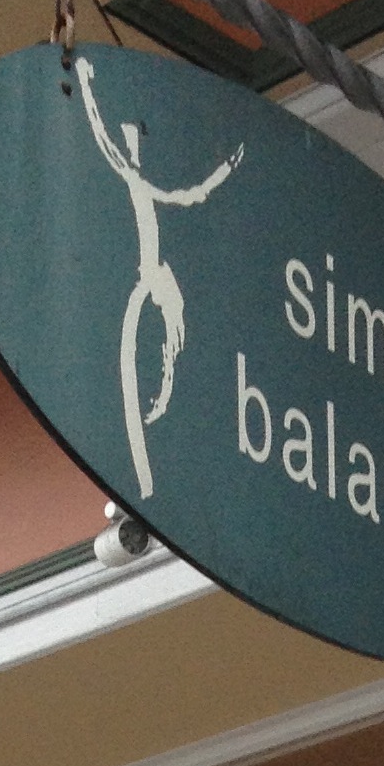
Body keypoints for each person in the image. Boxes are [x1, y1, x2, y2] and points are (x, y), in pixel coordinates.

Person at [76, 55, 242, 499]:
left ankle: (164, 399)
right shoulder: (130, 177)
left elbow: (186, 193)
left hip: (158, 273)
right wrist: (86, 88)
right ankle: (158, 410)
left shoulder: (148, 179)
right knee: (144, 349)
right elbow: (108, 144)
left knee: (171, 339)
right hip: (145, 275)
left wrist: (226, 169)